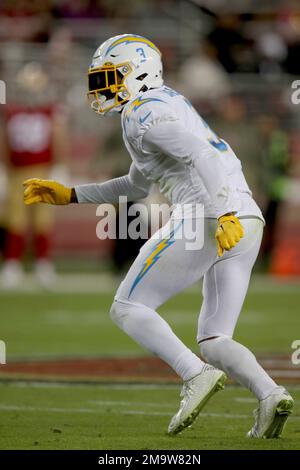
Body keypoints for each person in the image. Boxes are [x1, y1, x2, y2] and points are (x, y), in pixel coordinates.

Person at [23, 34, 293, 438]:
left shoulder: (141, 112)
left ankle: (193, 375)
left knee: (128, 308)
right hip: (247, 217)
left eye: (110, 78)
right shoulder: (161, 105)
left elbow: (201, 154)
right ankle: (271, 394)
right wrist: (72, 195)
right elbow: (134, 186)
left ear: (139, 73)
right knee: (215, 338)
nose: (102, 89)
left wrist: (221, 214)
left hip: (209, 215)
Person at [1, 62, 69, 288]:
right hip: (17, 171)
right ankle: (13, 264)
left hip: (42, 170)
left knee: (42, 220)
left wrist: (59, 165)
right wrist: (3, 166)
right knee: (16, 220)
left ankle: (43, 264)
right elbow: (4, 142)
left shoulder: (50, 111)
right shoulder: (10, 112)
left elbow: (58, 138)